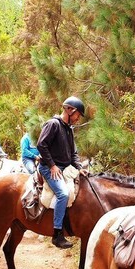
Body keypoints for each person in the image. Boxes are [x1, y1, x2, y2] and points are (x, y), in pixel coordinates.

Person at [36, 96, 86, 249]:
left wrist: (79, 167)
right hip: (49, 168)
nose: (78, 119)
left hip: (65, 168)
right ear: (70, 110)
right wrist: (51, 165)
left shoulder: (69, 129)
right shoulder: (53, 124)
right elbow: (41, 145)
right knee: (63, 193)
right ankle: (57, 234)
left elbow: (73, 154)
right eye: (78, 115)